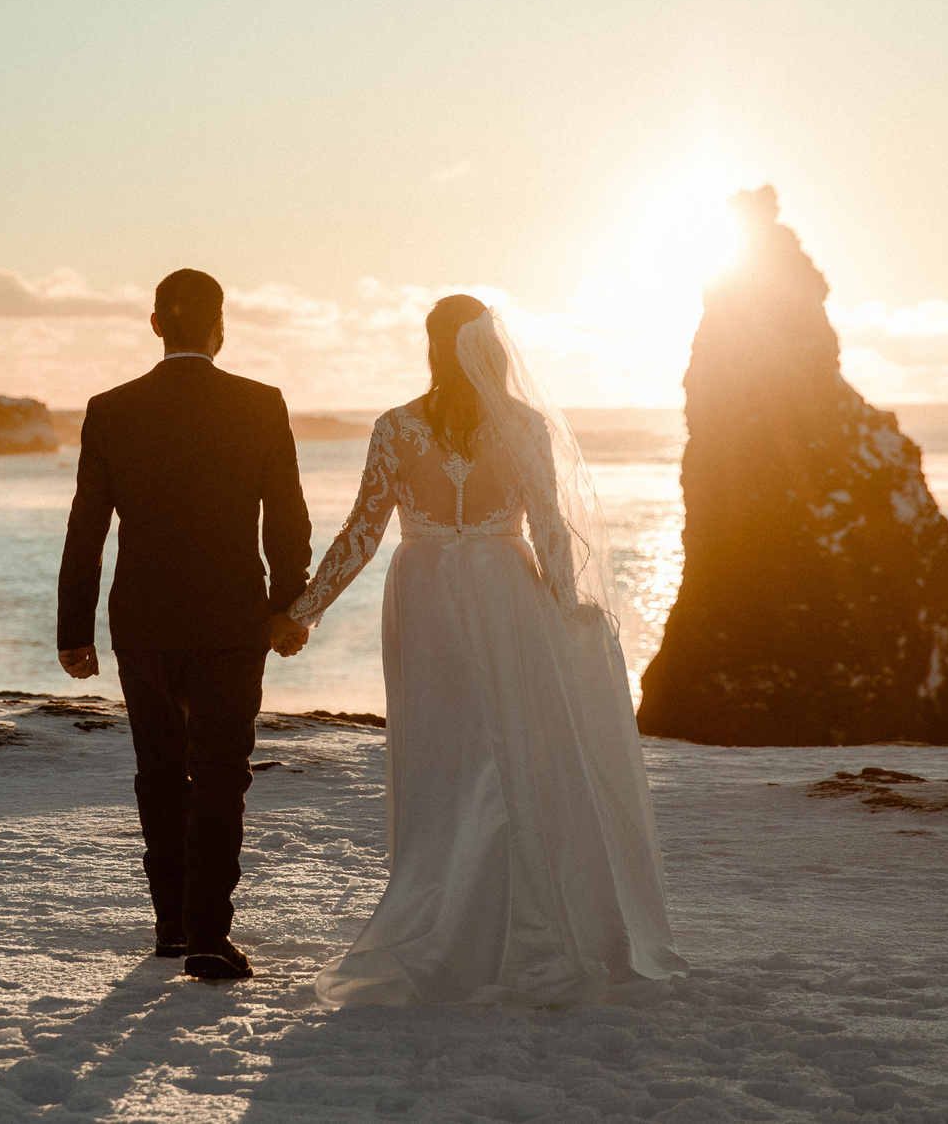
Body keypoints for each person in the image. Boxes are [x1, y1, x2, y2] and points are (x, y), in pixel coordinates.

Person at [285, 294, 686, 1006]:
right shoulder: (524, 426)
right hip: (506, 593)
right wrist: (568, 604)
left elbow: (362, 532)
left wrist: (303, 612)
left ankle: (451, 917)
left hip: (426, 594)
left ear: (434, 346)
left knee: (444, 755)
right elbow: (554, 530)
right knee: (508, 751)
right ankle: (515, 918)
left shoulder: (396, 427)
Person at [57, 268, 313, 981]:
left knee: (160, 772)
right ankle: (206, 933)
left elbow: (87, 527)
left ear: (156, 324)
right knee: (223, 774)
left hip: (142, 620)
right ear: (220, 325)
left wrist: (72, 628)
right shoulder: (260, 404)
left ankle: (171, 923)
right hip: (232, 620)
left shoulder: (110, 408)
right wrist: (290, 606)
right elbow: (287, 518)